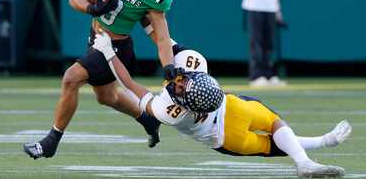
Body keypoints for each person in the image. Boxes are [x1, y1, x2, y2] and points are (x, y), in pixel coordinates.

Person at [92, 31, 351, 178]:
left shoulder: (170, 111)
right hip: (234, 109)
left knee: (272, 143)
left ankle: (310, 157)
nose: (177, 84)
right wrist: (149, 19)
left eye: (181, 88)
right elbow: (164, 39)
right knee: (275, 125)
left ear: (185, 102)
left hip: (224, 138)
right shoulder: (196, 66)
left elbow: (131, 86)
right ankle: (312, 153)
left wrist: (108, 52)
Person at [23, 0, 181, 159]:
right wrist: (92, 9)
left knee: (71, 78)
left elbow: (163, 37)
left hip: (115, 47)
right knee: (107, 97)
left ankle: (51, 142)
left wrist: (168, 67)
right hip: (96, 39)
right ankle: (149, 120)